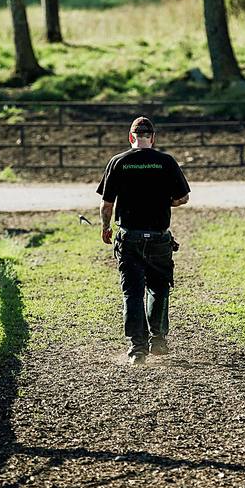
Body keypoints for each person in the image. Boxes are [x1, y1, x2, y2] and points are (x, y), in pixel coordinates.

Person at [95, 116, 191, 365]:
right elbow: (183, 198)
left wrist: (106, 228)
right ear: (153, 138)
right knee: (158, 288)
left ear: (131, 138)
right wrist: (163, 201)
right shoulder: (166, 162)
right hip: (159, 238)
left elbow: (107, 205)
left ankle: (137, 349)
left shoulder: (118, 162)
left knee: (132, 292)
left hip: (129, 238)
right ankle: (157, 340)